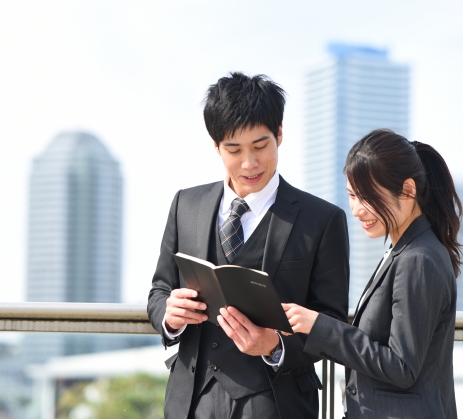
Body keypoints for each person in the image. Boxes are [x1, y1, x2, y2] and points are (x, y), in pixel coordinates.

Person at [147, 72, 350, 419]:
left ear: (280, 135)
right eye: (234, 149)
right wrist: (170, 316)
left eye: (260, 146)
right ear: (215, 146)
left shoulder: (323, 219)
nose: (249, 163)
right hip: (191, 399)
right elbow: (159, 290)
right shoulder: (186, 204)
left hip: (275, 400)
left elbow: (331, 319)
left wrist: (275, 346)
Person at [284, 128, 461, 418]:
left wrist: (319, 326)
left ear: (408, 190)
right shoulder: (405, 250)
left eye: (368, 197)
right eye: (352, 195)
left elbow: (402, 366)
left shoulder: (418, 258)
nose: (356, 209)